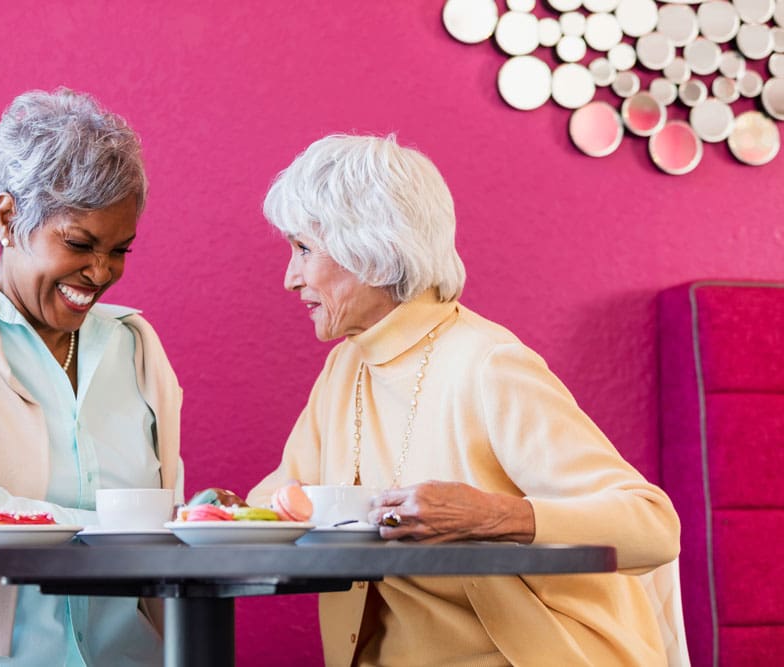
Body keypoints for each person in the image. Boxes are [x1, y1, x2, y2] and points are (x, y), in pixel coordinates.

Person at [247, 134, 680, 666]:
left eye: (304, 249)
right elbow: (279, 496)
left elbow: (654, 527)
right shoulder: (347, 366)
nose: (290, 278)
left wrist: (495, 516)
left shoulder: (488, 364)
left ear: (372, 248)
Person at [0, 88, 182, 665]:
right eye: (78, 243)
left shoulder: (134, 345)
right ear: (9, 214)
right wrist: (111, 528)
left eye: (120, 250)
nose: (100, 272)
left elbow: (163, 519)